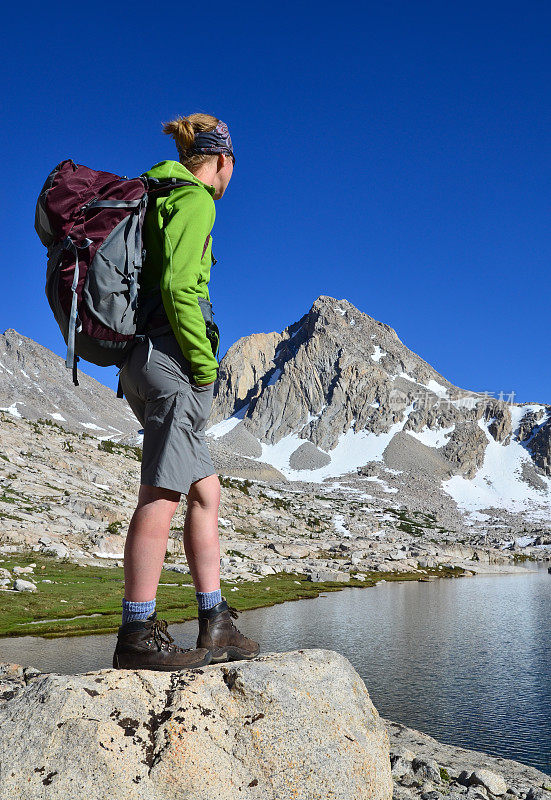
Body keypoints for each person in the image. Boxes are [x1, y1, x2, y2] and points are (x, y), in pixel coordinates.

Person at [112, 113, 260, 671]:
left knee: (206, 492)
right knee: (162, 493)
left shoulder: (158, 194)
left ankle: (214, 619)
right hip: (171, 360)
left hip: (142, 358)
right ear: (222, 161)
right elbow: (178, 286)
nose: (231, 179)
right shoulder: (197, 200)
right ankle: (137, 631)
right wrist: (204, 366)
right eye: (233, 167)